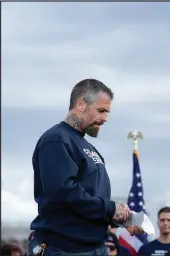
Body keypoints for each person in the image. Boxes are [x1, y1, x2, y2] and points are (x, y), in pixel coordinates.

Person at [28, 79, 131, 255]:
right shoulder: (56, 140)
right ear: (81, 104)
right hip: (65, 248)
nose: (105, 119)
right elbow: (63, 192)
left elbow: (94, 199)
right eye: (101, 110)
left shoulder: (91, 150)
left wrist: (123, 218)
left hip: (95, 246)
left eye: (107, 112)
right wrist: (110, 209)